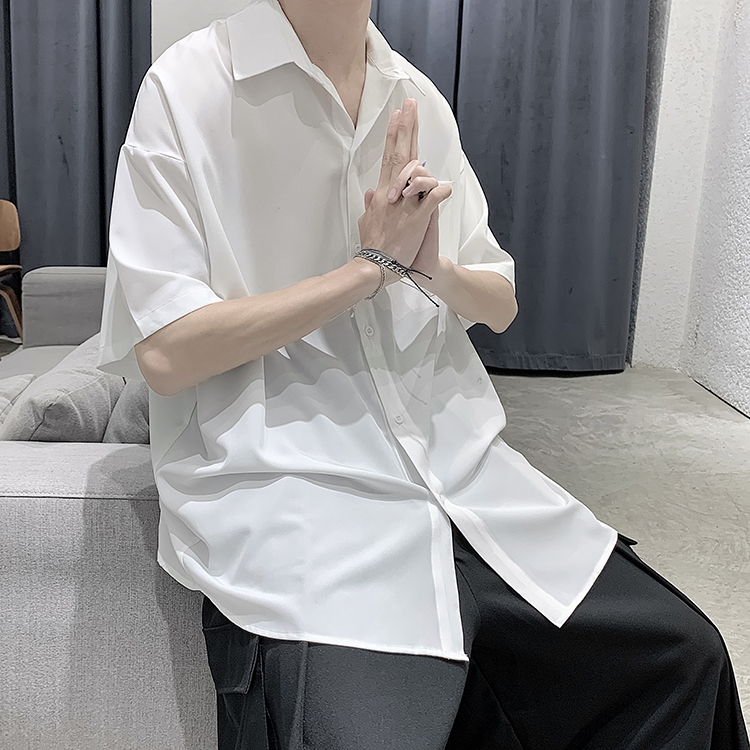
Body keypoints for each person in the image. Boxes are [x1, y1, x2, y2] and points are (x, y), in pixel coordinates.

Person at [96, 0, 750, 747]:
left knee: (685, 660)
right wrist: (368, 269)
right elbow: (167, 353)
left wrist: (433, 265)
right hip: (293, 489)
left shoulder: (415, 97)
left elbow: (498, 299)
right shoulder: (187, 89)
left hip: (461, 474)